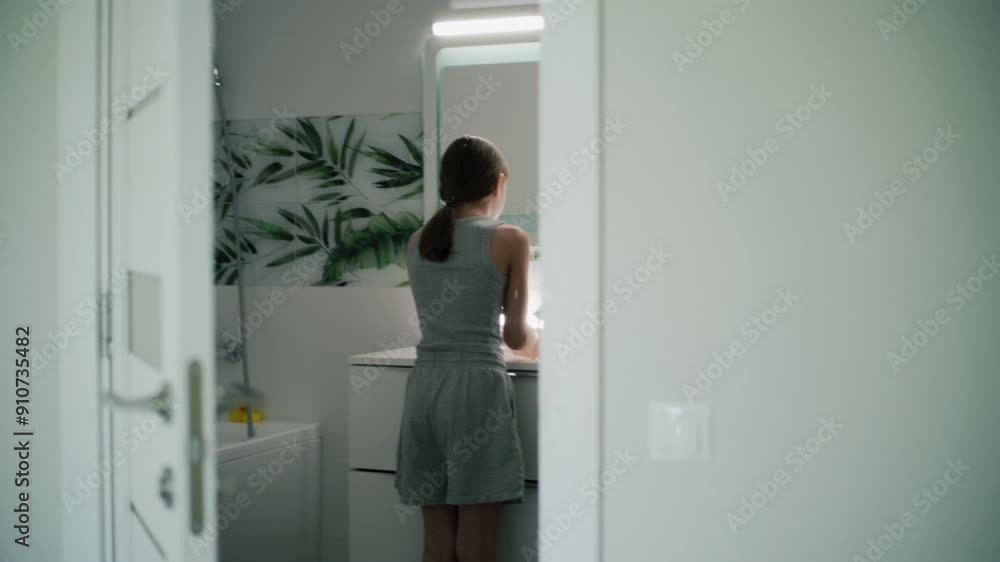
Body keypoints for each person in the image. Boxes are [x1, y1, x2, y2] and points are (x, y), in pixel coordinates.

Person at [395, 135, 539, 562]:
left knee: (437, 539)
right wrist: (538, 340)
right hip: (475, 393)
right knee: (476, 541)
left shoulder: (418, 241)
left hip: (424, 389)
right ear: (498, 184)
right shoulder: (511, 238)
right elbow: (515, 336)